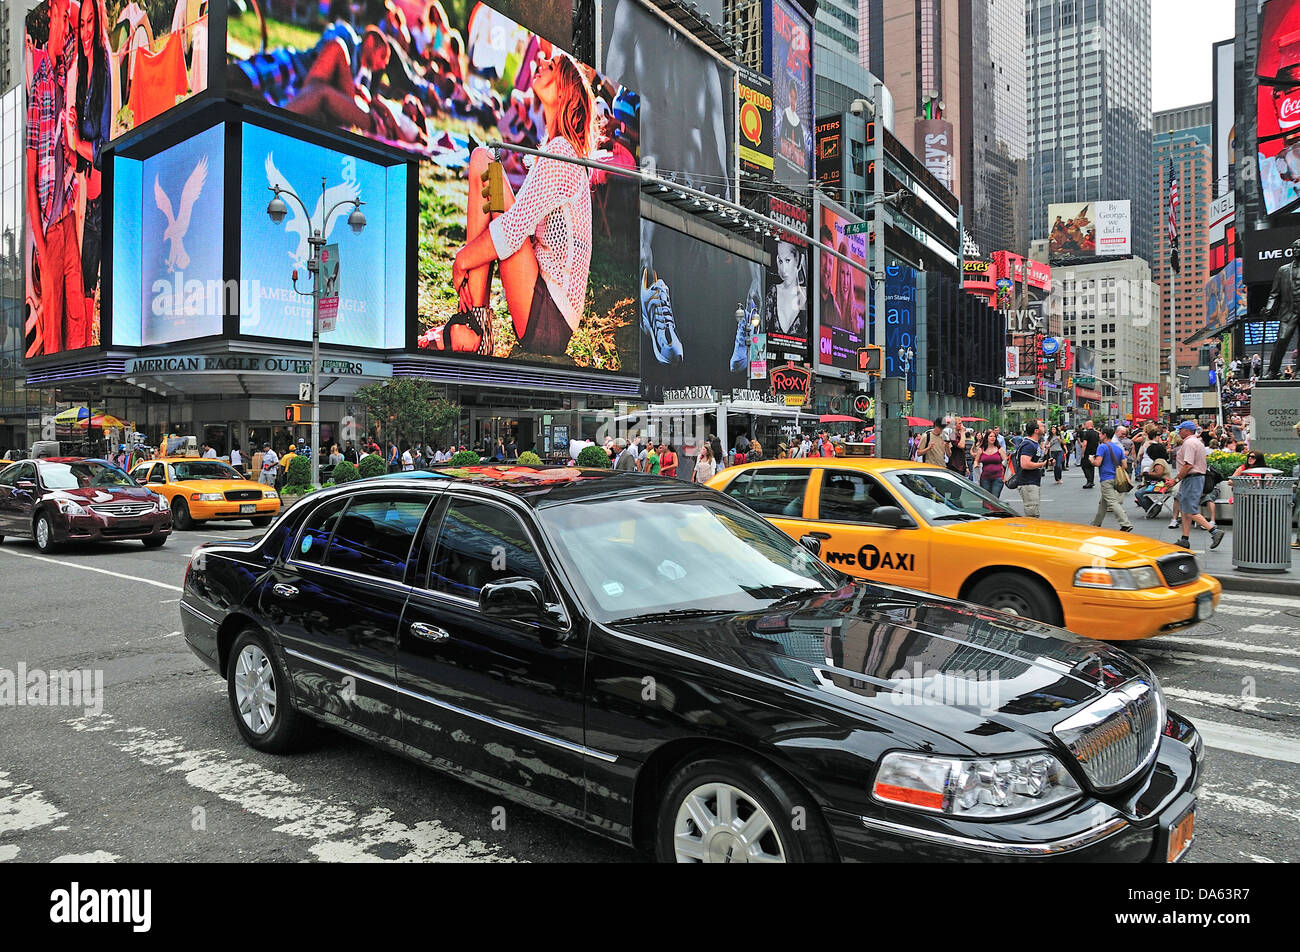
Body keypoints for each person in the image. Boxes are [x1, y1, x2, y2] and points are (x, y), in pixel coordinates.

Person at [428, 53, 596, 357]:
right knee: (484, 163)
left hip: (549, 317)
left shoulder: (562, 153)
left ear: (564, 92)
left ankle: (475, 330)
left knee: (484, 163)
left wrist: (462, 259)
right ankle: (474, 325)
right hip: (548, 312)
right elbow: (518, 226)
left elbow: (511, 230)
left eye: (551, 66)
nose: (540, 63)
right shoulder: (559, 150)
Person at [27, 0, 90, 355]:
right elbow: (31, 168)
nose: (67, 25)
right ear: (51, 13)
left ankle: (80, 383)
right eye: (63, 17)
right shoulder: (37, 87)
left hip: (66, 212)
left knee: (76, 310)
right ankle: (52, 393)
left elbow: (79, 46)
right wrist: (38, 236)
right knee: (52, 317)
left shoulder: (66, 65)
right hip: (48, 225)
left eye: (69, 19)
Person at [1169, 420, 1224, 549]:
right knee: (1186, 508)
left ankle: (1214, 531)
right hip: (1195, 478)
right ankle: (1184, 538)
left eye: (1180, 429)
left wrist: (1176, 480)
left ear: (1186, 431)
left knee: (1190, 509)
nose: (1178, 432)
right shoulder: (1197, 442)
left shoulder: (1189, 443)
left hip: (1192, 478)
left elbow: (1188, 464)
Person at [1090, 425, 1134, 531]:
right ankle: (1096, 523)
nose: (1099, 435)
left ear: (1104, 435)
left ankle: (1125, 523)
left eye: (1100, 434)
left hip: (1106, 478)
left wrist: (1091, 460)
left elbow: (1098, 463)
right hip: (1116, 478)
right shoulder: (1118, 448)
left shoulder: (1102, 447)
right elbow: (1125, 466)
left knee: (1112, 502)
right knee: (1103, 502)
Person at [764, 239, 807, 337]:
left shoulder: (804, 296)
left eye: (787, 260)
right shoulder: (773, 292)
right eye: (780, 261)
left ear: (799, 261)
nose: (783, 269)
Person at [1017, 420, 1048, 517]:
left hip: (1033, 481)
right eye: (1042, 426)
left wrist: (1046, 462)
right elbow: (1025, 464)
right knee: (1032, 514)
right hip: (1028, 482)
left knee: (1034, 512)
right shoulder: (1028, 444)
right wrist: (1041, 464)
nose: (1045, 427)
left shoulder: (1035, 443)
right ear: (1036, 430)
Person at [974, 431, 1008, 497]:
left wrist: (1005, 476)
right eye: (991, 436)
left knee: (995, 498)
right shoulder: (981, 449)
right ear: (986, 438)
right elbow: (976, 460)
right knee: (986, 499)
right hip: (985, 478)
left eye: (994, 436)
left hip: (998, 478)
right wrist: (976, 465)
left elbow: (1006, 462)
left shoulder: (999, 449)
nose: (993, 438)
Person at [1078, 421, 1100, 488]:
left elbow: (1084, 444)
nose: (1084, 425)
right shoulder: (1096, 433)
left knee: (1085, 466)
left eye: (1085, 424)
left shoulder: (1086, 433)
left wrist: (1082, 453)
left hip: (1087, 452)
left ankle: (1089, 481)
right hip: (1094, 452)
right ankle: (1091, 481)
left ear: (1088, 425)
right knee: (1091, 467)